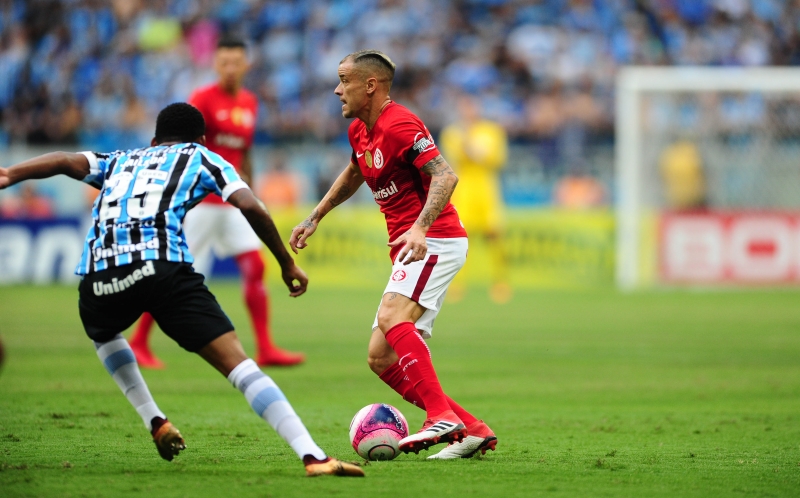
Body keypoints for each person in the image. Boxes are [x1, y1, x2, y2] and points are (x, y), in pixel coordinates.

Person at [0, 103, 363, 478]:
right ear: (202, 139)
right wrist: (286, 263)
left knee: (104, 332)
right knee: (238, 365)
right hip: (162, 270)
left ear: (154, 140)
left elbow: (63, 159)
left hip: (98, 278)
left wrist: (10, 173)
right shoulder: (205, 157)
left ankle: (154, 419)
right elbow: (250, 205)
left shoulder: (121, 159)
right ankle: (312, 456)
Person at [290, 50, 497, 460]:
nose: (337, 89)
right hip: (411, 246)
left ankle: (441, 415)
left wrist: (419, 226)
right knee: (380, 356)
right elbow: (354, 172)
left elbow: (446, 174)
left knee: (391, 319)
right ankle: (472, 429)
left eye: (344, 80)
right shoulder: (359, 131)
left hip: (434, 238)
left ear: (370, 85)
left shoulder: (400, 122)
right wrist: (316, 215)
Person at [129, 37, 304, 369]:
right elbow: (182, 146)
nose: (230, 68)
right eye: (224, 62)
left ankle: (266, 347)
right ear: (215, 65)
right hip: (204, 199)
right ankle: (138, 342)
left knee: (255, 266)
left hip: (234, 199)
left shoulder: (251, 102)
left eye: (236, 62)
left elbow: (245, 151)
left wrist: (251, 190)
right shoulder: (202, 99)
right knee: (174, 272)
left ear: (246, 65)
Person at [439, 94, 511, 303]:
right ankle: (457, 284)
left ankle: (500, 283)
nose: (469, 111)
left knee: (495, 237)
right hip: (463, 191)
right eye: (464, 108)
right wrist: (473, 150)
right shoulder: (452, 132)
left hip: (487, 191)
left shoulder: (492, 131)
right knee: (459, 239)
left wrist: (472, 150)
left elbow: (496, 159)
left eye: (472, 107)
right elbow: (455, 157)